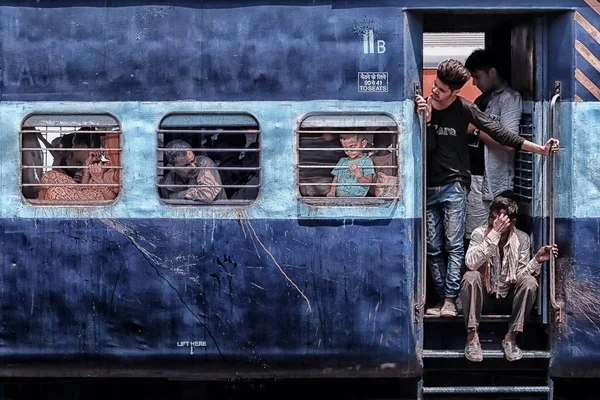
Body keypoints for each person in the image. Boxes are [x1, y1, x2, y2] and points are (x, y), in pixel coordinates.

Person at [415, 59, 559, 318]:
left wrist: (539, 149)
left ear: (455, 92)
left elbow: (502, 134)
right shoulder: (424, 107)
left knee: (453, 244)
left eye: (441, 90)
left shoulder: (465, 109)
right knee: (433, 247)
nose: (435, 92)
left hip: (454, 186)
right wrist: (425, 123)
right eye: (435, 86)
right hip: (428, 185)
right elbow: (427, 151)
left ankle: (450, 300)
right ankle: (439, 297)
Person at [460, 196, 558, 362]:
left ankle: (511, 337)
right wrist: (493, 235)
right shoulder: (479, 233)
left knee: (529, 282)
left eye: (500, 220)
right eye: (492, 217)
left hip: (508, 297)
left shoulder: (522, 239)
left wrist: (536, 261)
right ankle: (472, 337)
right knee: (471, 277)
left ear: (511, 223)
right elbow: (471, 263)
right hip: (484, 297)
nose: (494, 222)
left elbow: (520, 276)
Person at [464, 49, 522, 242]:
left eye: (477, 77)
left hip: (492, 183)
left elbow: (510, 142)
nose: (474, 83)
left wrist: (476, 131)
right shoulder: (481, 100)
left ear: (492, 72)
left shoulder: (509, 99)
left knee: (488, 237)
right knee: (473, 236)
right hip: (475, 179)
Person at [159, 139, 226, 202]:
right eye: (187, 165)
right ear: (172, 168)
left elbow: (207, 195)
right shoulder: (166, 185)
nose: (193, 166)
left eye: (193, 160)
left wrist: (178, 195)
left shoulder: (204, 163)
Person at [327, 133, 375, 197]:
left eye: (352, 147)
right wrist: (332, 192)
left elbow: (368, 183)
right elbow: (335, 179)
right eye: (345, 148)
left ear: (363, 144)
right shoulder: (342, 161)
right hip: (340, 198)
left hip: (357, 199)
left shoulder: (366, 161)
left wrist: (359, 176)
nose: (349, 151)